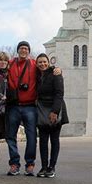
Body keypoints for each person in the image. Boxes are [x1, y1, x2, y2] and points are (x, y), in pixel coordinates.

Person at [5, 41, 61, 176]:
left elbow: (45, 69)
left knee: (31, 136)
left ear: (29, 51)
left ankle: (30, 164)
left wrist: (57, 69)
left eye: (26, 48)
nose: (23, 50)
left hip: (30, 106)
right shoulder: (10, 63)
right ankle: (14, 164)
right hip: (13, 105)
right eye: (21, 48)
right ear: (18, 50)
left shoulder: (34, 64)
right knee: (10, 136)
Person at [35, 53, 69, 178]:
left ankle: (52, 167)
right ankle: (44, 167)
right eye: (40, 62)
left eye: (44, 62)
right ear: (37, 64)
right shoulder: (37, 75)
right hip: (42, 109)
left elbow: (59, 93)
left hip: (55, 107)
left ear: (48, 62)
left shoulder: (55, 73)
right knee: (43, 140)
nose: (42, 64)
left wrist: (55, 112)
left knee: (54, 139)